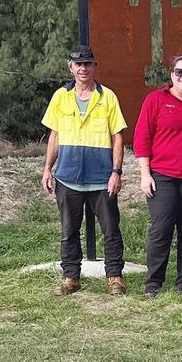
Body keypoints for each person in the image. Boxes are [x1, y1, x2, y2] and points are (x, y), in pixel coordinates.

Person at [41, 45, 128, 296]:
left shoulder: (108, 97)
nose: (83, 68)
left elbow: (118, 137)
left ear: (94, 67)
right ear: (71, 67)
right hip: (67, 176)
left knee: (111, 230)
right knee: (69, 231)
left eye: (88, 63)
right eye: (78, 64)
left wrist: (116, 172)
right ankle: (71, 278)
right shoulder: (60, 97)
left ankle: (114, 277)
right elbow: (54, 135)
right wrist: (47, 169)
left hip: (101, 178)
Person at [133, 54, 182, 298]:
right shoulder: (156, 100)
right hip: (163, 176)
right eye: (179, 72)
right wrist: (144, 173)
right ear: (172, 75)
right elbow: (142, 138)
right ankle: (153, 282)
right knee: (161, 229)